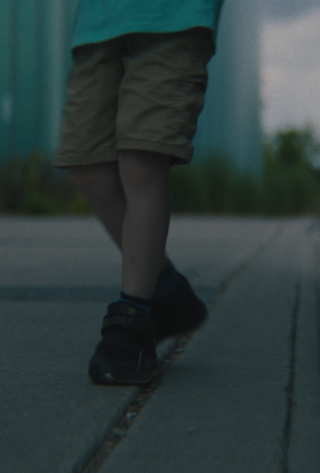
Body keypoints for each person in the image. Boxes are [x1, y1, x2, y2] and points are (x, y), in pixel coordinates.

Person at [54, 0, 225, 385]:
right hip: (98, 23)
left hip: (173, 17)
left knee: (142, 160)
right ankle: (167, 290)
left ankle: (134, 315)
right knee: (87, 165)